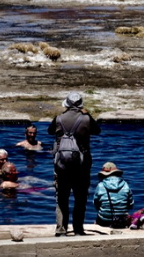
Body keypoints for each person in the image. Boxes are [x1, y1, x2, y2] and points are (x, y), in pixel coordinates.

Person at [48, 92, 101, 236]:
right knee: (80, 198)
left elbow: (50, 131)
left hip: (62, 165)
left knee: (61, 198)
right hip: (81, 166)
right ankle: (78, 229)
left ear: (67, 103)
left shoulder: (59, 118)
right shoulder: (86, 119)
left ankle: (61, 230)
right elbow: (97, 131)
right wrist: (87, 114)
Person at [93, 162, 134, 228]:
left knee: (98, 218)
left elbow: (96, 204)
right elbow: (131, 205)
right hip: (122, 220)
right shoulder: (125, 184)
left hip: (104, 220)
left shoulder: (100, 185)